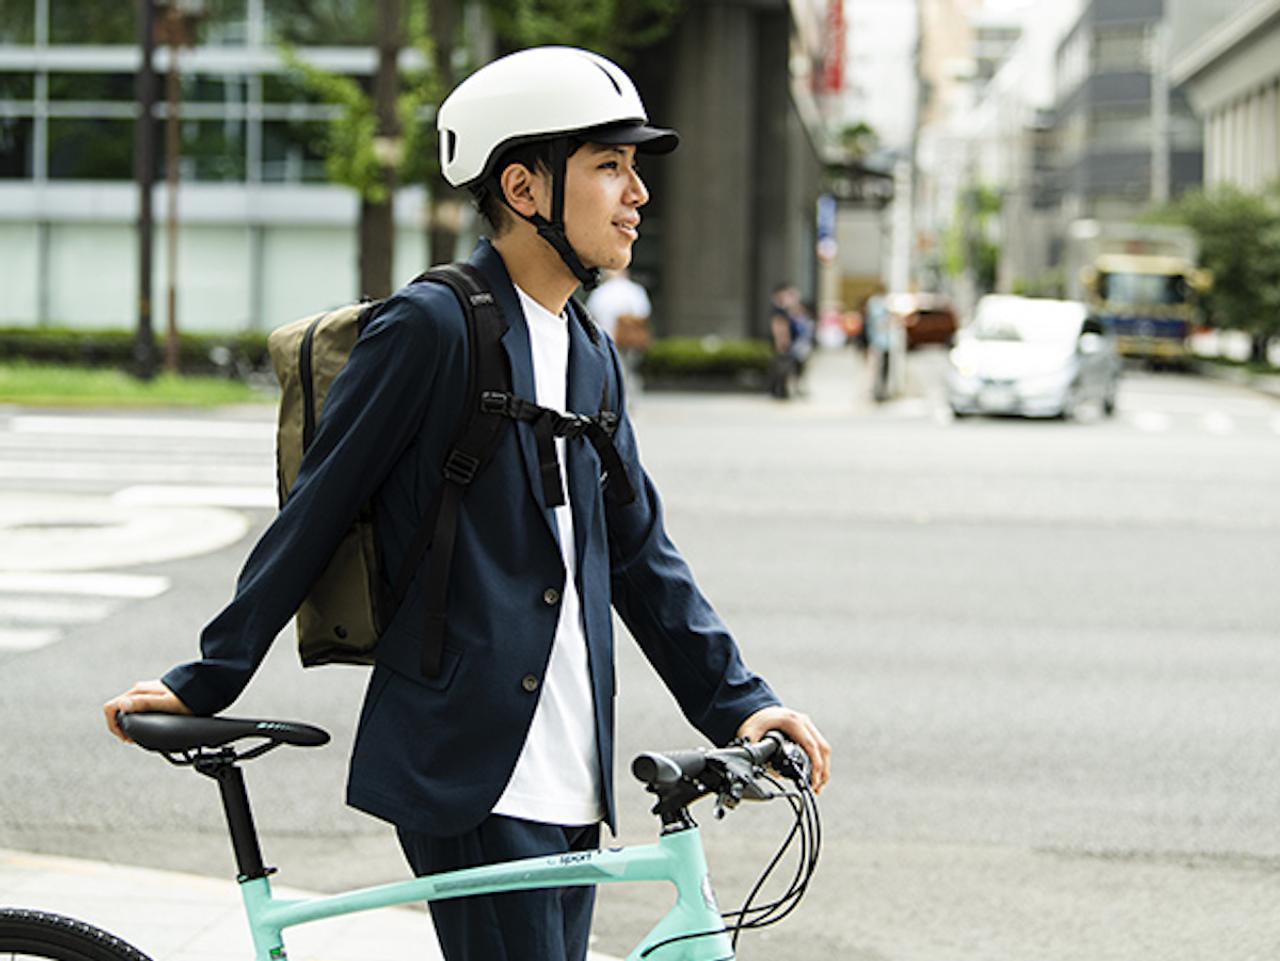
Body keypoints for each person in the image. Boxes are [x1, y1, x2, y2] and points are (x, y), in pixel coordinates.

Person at [103, 46, 830, 961]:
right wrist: (206, 677)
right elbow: (319, 507)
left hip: (574, 766)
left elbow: (641, 553)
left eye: (634, 168)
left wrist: (740, 704)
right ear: (525, 187)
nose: (638, 194)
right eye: (610, 166)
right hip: (474, 765)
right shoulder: (435, 325)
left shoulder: (590, 352)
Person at [585, 266, 650, 400]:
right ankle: (629, 398)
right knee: (629, 368)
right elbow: (643, 312)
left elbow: (591, 313)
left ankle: (616, 398)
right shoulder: (635, 290)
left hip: (606, 337)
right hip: (629, 340)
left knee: (613, 369)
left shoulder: (601, 292)